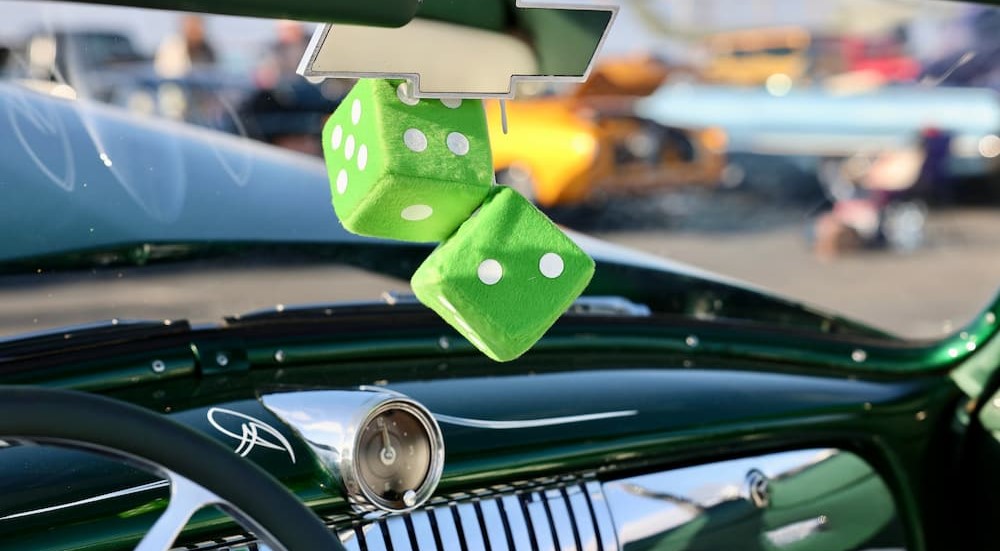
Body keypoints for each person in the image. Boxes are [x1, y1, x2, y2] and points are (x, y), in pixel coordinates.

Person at [155, 14, 217, 78]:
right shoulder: (171, 47)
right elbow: (167, 75)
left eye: (197, 26)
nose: (195, 30)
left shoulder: (208, 50)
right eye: (191, 27)